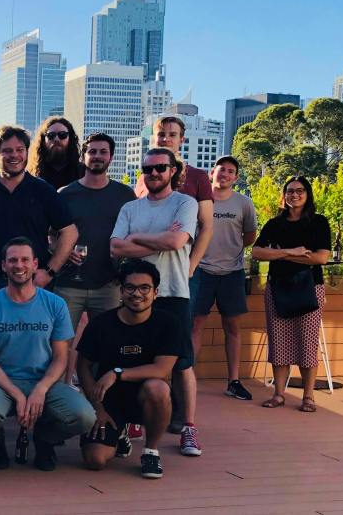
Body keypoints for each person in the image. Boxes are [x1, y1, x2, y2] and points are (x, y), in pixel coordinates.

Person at [0, 237, 96, 471]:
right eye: (12, 260)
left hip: (44, 380)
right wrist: (18, 395)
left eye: (25, 260)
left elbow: (61, 357)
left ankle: (44, 438)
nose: (19, 265)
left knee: (84, 417)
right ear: (3, 266)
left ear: (35, 264)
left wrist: (41, 389)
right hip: (2, 382)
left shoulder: (55, 304)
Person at [110, 147, 201, 457]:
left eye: (160, 167)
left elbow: (176, 241)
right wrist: (159, 240)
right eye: (148, 168)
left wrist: (136, 239)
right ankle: (132, 421)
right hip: (135, 294)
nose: (154, 173)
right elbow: (116, 248)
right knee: (134, 358)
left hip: (173, 293)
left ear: (173, 171)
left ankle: (188, 427)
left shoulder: (185, 203)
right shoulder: (130, 208)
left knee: (182, 363)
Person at [77, 260, 181, 480]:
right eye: (130, 288)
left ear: (155, 292)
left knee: (158, 388)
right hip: (108, 400)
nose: (137, 294)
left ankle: (151, 451)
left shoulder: (169, 323)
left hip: (145, 397)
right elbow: (82, 365)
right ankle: (119, 434)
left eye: (144, 288)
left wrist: (116, 373)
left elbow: (162, 369)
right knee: (95, 460)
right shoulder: (101, 324)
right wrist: (97, 408)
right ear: (121, 291)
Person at [0, 125, 77, 295]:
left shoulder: (44, 191)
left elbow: (70, 232)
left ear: (27, 152)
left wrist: (49, 272)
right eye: (7, 150)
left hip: (35, 283)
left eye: (20, 150)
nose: (14, 155)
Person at [252, 176, 332, 413]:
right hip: (278, 288)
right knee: (278, 342)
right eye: (289, 191)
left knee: (307, 342)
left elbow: (321, 258)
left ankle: (308, 397)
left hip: (310, 288)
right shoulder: (274, 224)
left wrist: (281, 254)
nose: (294, 195)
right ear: (284, 195)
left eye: (299, 190)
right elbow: (257, 252)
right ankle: (279, 394)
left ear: (307, 194)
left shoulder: (318, 222)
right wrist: (294, 252)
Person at [56, 134, 135, 367]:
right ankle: (61, 387)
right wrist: (61, 249)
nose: (97, 156)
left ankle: (100, 389)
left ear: (111, 157)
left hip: (109, 284)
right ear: (83, 157)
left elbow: (134, 233)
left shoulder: (125, 195)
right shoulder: (65, 194)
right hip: (68, 284)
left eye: (103, 152)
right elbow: (50, 235)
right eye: (92, 151)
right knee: (60, 344)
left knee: (107, 345)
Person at [191, 156, 257, 401]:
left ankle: (233, 381)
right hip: (200, 270)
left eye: (230, 171)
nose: (225, 174)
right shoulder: (199, 201)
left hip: (232, 272)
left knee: (233, 327)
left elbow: (249, 236)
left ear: (236, 178)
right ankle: (187, 380)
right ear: (212, 172)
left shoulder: (244, 203)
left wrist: (230, 251)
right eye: (221, 170)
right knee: (195, 326)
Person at [135, 116, 214, 289]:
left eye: (172, 134)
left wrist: (191, 267)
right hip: (144, 265)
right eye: (161, 134)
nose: (166, 139)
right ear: (154, 138)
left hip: (181, 267)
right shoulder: (144, 178)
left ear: (181, 140)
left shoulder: (198, 177)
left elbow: (207, 226)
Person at [27, 117, 82, 190]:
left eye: (62, 135)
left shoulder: (83, 173)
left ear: (70, 139)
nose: (56, 139)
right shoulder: (32, 174)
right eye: (51, 135)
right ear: (43, 140)